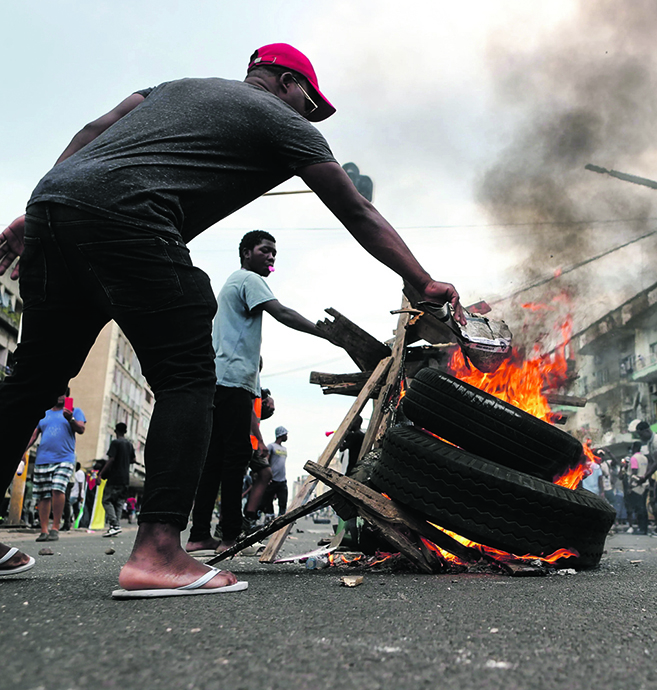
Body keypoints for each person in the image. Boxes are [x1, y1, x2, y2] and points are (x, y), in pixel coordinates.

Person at [0, 43, 463, 592]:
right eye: (309, 103)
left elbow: (92, 129)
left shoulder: (170, 88)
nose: (308, 117)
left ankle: (160, 548)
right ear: (287, 82)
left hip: (55, 211)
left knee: (32, 380)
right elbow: (357, 211)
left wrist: (41, 204)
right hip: (132, 220)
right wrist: (421, 279)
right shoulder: (282, 121)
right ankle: (158, 554)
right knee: (189, 376)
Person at [187, 230, 349, 554]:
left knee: (214, 462)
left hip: (222, 382)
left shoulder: (234, 283)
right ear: (247, 253)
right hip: (232, 385)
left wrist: (259, 389)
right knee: (234, 461)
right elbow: (282, 312)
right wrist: (325, 333)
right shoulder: (249, 279)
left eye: (275, 252)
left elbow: (242, 348)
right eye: (265, 250)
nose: (272, 257)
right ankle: (230, 537)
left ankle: (199, 536)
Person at [26, 392, 86, 542]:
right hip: (43, 459)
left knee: (58, 488)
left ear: (67, 396)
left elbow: (81, 429)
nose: (60, 396)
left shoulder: (75, 411)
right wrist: (23, 450)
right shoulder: (44, 414)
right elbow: (33, 435)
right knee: (43, 495)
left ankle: (55, 527)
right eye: (57, 392)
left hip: (64, 458)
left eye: (63, 394)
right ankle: (44, 530)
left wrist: (70, 418)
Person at [100, 422, 134, 537]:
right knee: (119, 502)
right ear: (126, 431)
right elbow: (133, 459)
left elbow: (111, 459)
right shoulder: (129, 444)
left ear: (115, 431)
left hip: (115, 477)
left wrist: (101, 474)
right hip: (125, 478)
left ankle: (114, 525)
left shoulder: (115, 443)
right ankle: (116, 525)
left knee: (106, 500)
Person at [261, 426, 290, 517]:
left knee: (283, 501)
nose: (287, 437)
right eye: (286, 434)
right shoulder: (271, 446)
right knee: (268, 500)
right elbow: (266, 460)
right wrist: (267, 476)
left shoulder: (284, 449)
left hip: (282, 480)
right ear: (281, 435)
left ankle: (281, 519)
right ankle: (269, 517)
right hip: (272, 479)